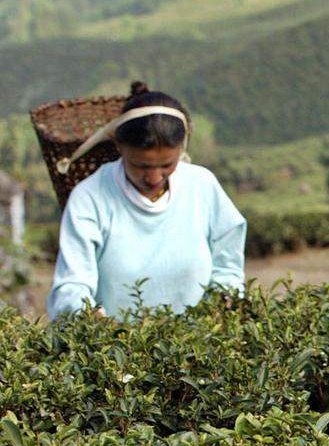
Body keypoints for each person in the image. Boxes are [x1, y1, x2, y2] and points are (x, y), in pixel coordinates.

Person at [47, 82, 246, 320]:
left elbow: (228, 269)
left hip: (198, 347)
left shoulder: (202, 186)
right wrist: (92, 318)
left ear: (181, 149)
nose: (153, 178)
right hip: (118, 351)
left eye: (167, 165)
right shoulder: (90, 197)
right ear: (119, 146)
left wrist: (223, 303)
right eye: (141, 165)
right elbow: (71, 286)